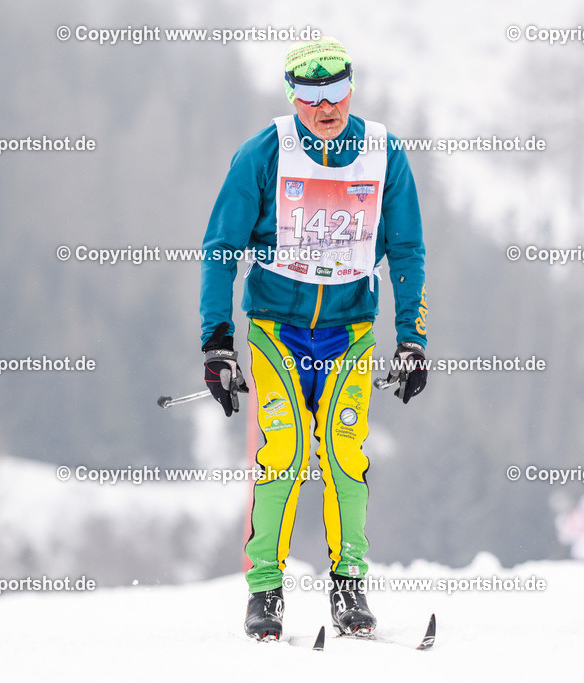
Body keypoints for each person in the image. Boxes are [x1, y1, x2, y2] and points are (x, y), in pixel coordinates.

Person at [198, 36, 428, 641]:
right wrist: (216, 342)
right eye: (309, 93)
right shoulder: (264, 153)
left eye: (335, 90)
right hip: (277, 329)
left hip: (351, 330)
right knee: (286, 453)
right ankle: (265, 593)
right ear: (292, 97)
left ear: (350, 88)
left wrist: (412, 340)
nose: (324, 105)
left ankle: (348, 588)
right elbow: (220, 248)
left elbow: (406, 251)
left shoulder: (382, 153)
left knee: (345, 457)